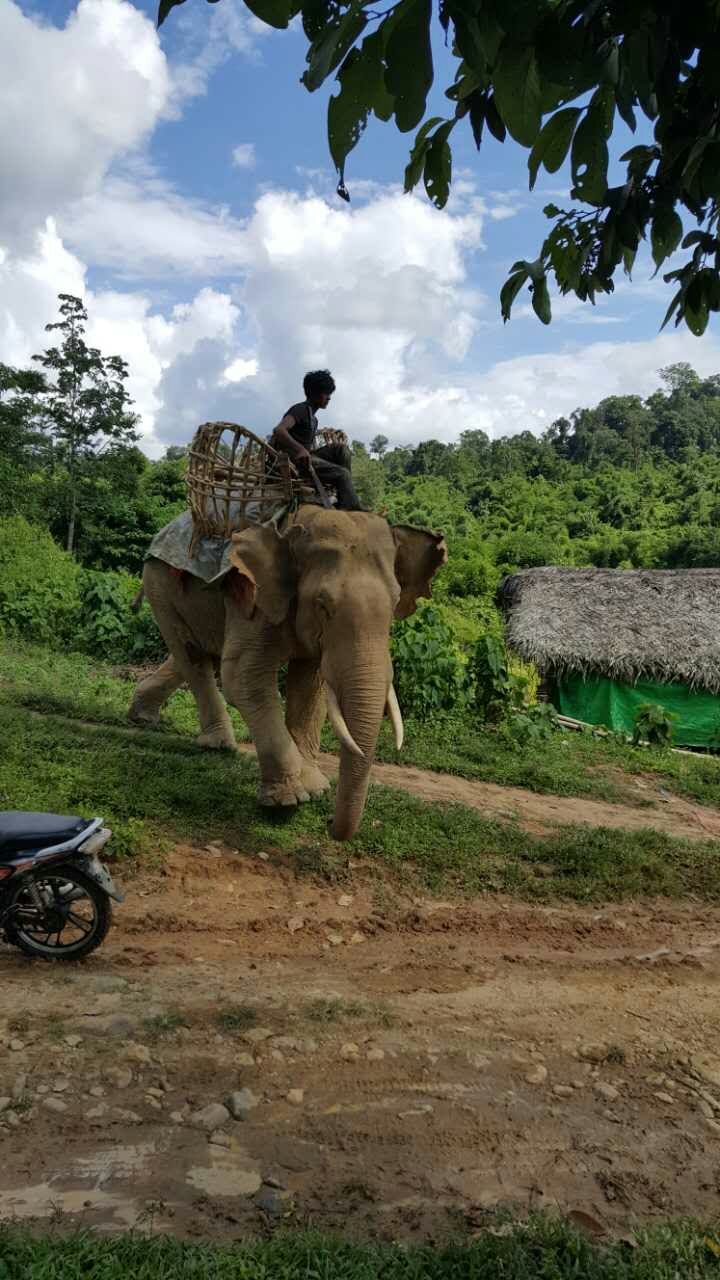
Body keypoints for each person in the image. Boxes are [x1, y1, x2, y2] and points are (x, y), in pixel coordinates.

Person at [270, 370, 365, 511]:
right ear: (314, 393)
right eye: (326, 394)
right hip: (294, 462)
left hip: (306, 457)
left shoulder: (314, 419)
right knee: (342, 473)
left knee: (341, 449)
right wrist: (300, 449)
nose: (329, 398)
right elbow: (279, 430)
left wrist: (306, 451)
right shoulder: (300, 409)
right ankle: (351, 508)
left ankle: (344, 497)